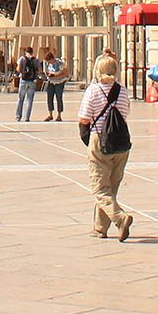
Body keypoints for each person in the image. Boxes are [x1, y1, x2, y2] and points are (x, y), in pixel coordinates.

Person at [78, 53, 134, 240]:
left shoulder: (93, 91)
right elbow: (125, 113)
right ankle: (100, 228)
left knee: (99, 188)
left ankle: (120, 218)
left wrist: (87, 139)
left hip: (100, 141)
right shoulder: (123, 91)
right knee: (111, 187)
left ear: (97, 71)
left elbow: (84, 118)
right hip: (121, 143)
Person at [13, 46, 40, 123]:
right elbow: (39, 70)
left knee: (21, 99)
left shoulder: (22, 58)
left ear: (25, 52)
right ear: (32, 52)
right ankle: (27, 117)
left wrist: (21, 72)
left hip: (23, 81)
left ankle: (18, 116)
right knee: (30, 100)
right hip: (32, 81)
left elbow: (18, 69)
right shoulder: (36, 60)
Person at [43, 48, 68, 122]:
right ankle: (50, 114)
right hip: (51, 82)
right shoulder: (47, 64)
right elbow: (47, 71)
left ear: (52, 59)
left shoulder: (60, 63)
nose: (49, 63)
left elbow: (64, 72)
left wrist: (54, 75)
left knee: (59, 98)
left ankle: (59, 115)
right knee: (49, 98)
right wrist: (47, 74)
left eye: (49, 61)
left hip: (59, 82)